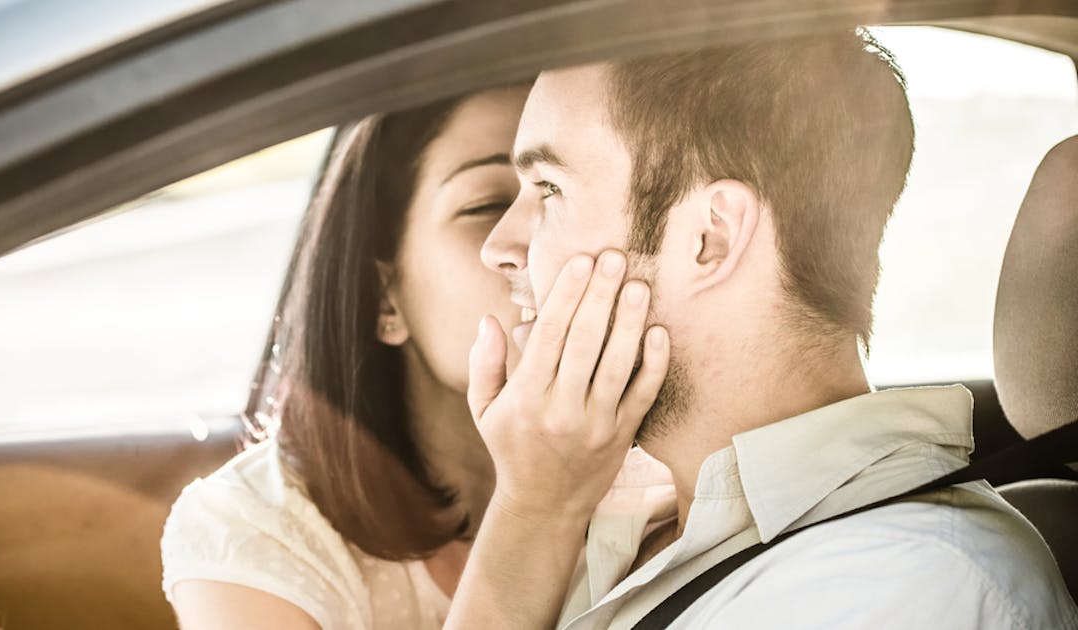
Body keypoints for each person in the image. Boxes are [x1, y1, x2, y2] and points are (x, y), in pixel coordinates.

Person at [449, 29, 1078, 629]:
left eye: (548, 189)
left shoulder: (901, 586)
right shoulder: (650, 520)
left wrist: (529, 515)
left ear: (710, 237)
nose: (500, 248)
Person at [161, 86, 541, 629]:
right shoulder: (255, 533)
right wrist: (538, 509)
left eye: (556, 193)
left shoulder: (665, 473)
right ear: (383, 296)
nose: (544, 241)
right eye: (487, 205)